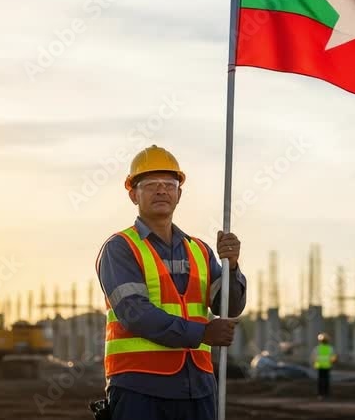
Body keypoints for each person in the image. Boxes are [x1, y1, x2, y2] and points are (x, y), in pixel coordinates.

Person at [96, 145, 248, 420]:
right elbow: (135, 315)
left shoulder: (200, 251)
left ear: (179, 193)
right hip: (139, 388)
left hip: (198, 387)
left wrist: (232, 266)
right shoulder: (120, 248)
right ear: (133, 194)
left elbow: (229, 306)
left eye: (170, 184)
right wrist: (201, 333)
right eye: (151, 184)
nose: (162, 190)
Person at [311, 332, 337, 399]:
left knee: (320, 381)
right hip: (327, 366)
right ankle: (326, 394)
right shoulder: (330, 348)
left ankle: (321, 394)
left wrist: (314, 364)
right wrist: (332, 362)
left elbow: (314, 357)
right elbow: (333, 358)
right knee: (326, 381)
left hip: (320, 366)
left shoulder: (317, 348)